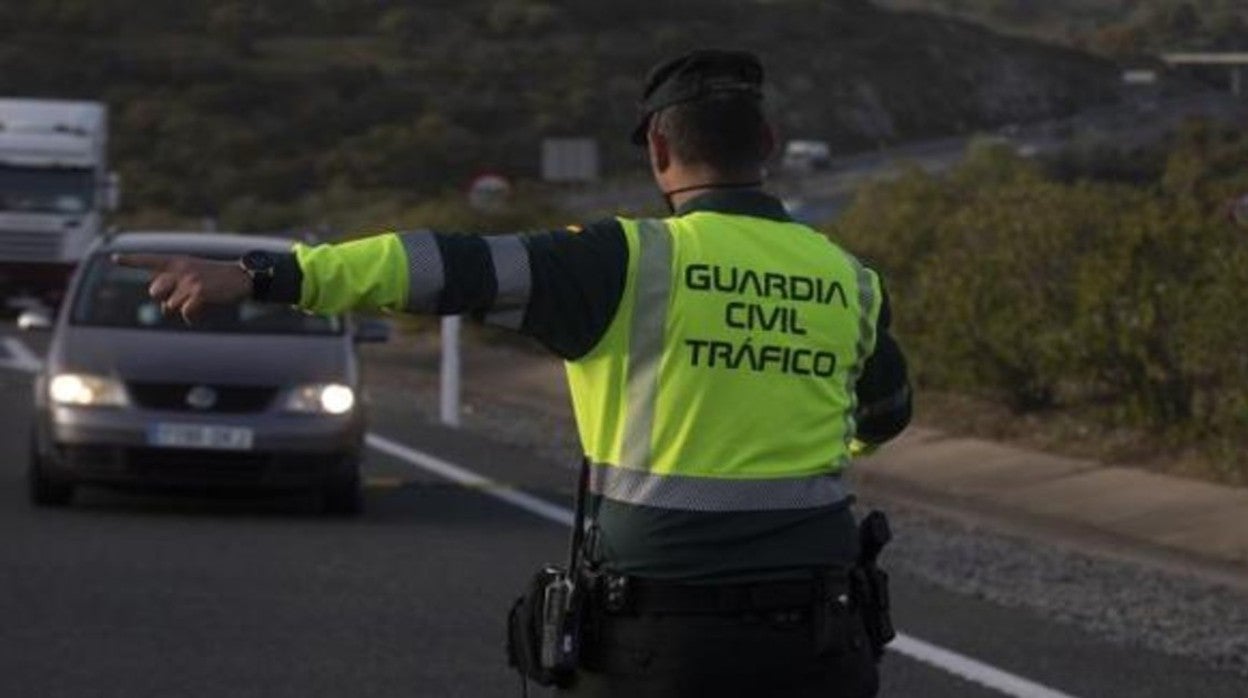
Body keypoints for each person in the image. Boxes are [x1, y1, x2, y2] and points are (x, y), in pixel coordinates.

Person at [119, 49, 911, 698]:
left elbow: (436, 265)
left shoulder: (623, 262)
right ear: (768, 144)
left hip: (663, 651)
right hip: (821, 642)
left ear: (660, 151)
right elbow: (885, 414)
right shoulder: (850, 278)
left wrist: (262, 275)